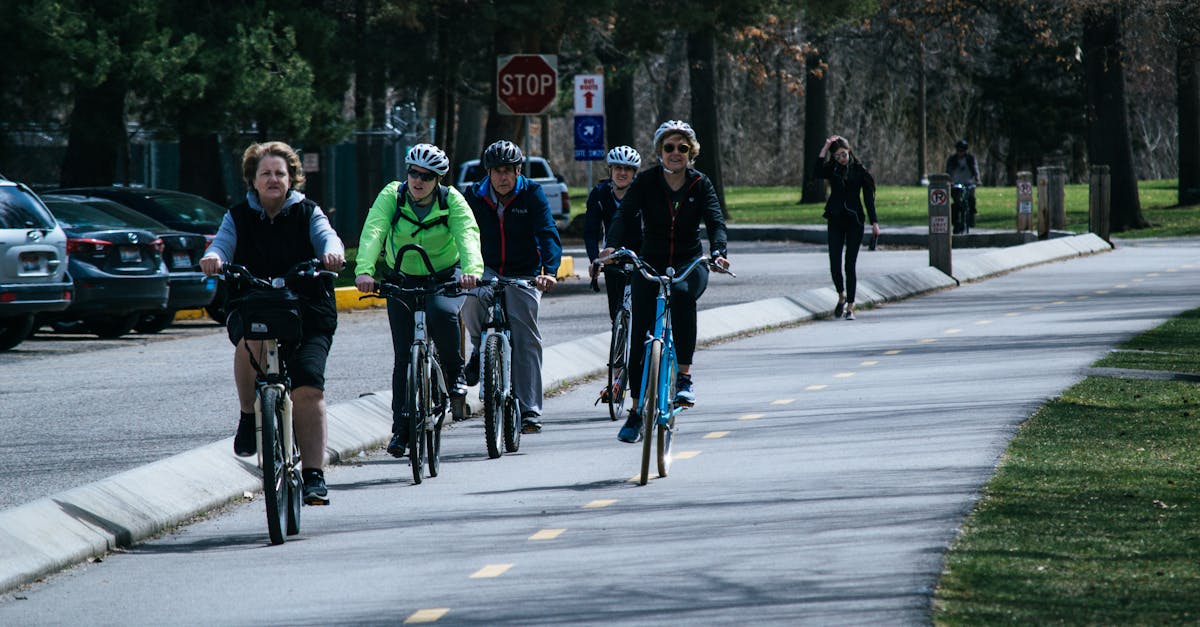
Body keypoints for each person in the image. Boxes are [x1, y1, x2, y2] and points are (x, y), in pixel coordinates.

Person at [200, 141, 346, 506]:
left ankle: (314, 475)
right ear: (253, 179)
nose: (273, 179)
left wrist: (333, 254)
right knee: (251, 339)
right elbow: (221, 244)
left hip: (308, 311)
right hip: (254, 305)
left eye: (280, 173)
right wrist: (213, 258)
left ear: (292, 178)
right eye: (265, 173)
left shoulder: (308, 212)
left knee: (308, 388)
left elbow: (328, 237)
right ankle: (249, 416)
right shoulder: (237, 216)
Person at [600, 120, 730, 444]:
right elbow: (624, 214)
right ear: (660, 151)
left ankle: (684, 378)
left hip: (689, 263)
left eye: (682, 148)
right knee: (641, 332)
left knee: (684, 296)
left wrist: (718, 251)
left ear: (691, 153)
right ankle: (634, 412)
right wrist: (612, 246)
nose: (675, 153)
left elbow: (715, 220)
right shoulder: (645, 183)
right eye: (669, 147)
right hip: (651, 262)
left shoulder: (700, 184)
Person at [354, 143, 483, 458]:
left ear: (438, 179)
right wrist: (364, 271)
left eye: (427, 175)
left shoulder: (451, 200)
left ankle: (455, 375)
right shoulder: (392, 196)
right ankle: (400, 430)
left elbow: (467, 234)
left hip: (444, 275)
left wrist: (472, 271)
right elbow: (374, 231)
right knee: (403, 357)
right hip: (402, 278)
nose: (418, 180)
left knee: (441, 313)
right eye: (413, 172)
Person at [460, 140, 562, 434]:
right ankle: (480, 348)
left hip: (524, 271)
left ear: (518, 171)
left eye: (509, 170)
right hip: (486, 266)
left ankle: (529, 409)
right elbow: (464, 233)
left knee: (526, 335)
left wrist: (550, 272)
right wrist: (466, 270)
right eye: (497, 171)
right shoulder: (474, 195)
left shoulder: (532, 193)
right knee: (473, 297)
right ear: (488, 172)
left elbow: (547, 233)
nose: (503, 177)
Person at [814, 134, 878, 321]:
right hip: (835, 219)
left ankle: (850, 306)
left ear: (849, 151)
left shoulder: (859, 171)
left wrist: (874, 223)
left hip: (854, 221)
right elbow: (816, 172)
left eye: (843, 154)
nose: (842, 159)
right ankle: (841, 295)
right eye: (837, 156)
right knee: (834, 263)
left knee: (850, 265)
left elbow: (868, 199)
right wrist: (825, 149)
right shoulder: (832, 169)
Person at [585, 145, 642, 321]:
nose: (622, 173)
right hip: (611, 255)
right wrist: (595, 259)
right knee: (616, 314)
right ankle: (619, 340)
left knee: (642, 311)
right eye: (618, 168)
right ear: (610, 170)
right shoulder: (600, 193)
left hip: (641, 254)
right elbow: (590, 231)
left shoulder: (643, 193)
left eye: (627, 169)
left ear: (634, 173)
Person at [945, 138, 981, 234]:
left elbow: (975, 169)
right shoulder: (952, 160)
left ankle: (971, 216)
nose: (960, 153)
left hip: (968, 183)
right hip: (956, 184)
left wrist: (977, 180)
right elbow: (948, 172)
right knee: (956, 204)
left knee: (971, 199)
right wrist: (949, 182)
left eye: (963, 150)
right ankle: (956, 222)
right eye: (959, 150)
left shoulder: (970, 159)